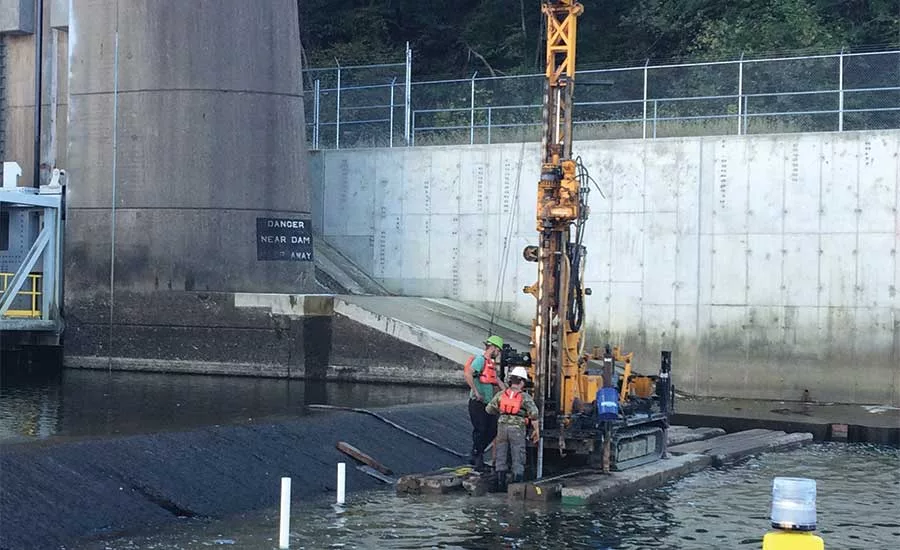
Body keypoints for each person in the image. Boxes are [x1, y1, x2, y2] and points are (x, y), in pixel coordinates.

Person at [485, 366, 540, 492]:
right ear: (522, 382)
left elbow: (489, 409)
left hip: (502, 428)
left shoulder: (501, 394)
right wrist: (536, 430)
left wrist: (502, 412)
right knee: (518, 455)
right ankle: (516, 486)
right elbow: (534, 414)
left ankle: (500, 483)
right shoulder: (524, 397)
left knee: (501, 454)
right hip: (517, 429)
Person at [465, 335, 506, 471]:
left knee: (492, 429)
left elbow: (497, 380)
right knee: (480, 429)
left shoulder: (491, 364)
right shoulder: (480, 360)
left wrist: (508, 393)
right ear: (493, 348)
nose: (498, 354)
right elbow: (468, 374)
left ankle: (476, 453)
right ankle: (477, 458)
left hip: (488, 404)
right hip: (477, 402)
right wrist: (476, 391)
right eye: (498, 350)